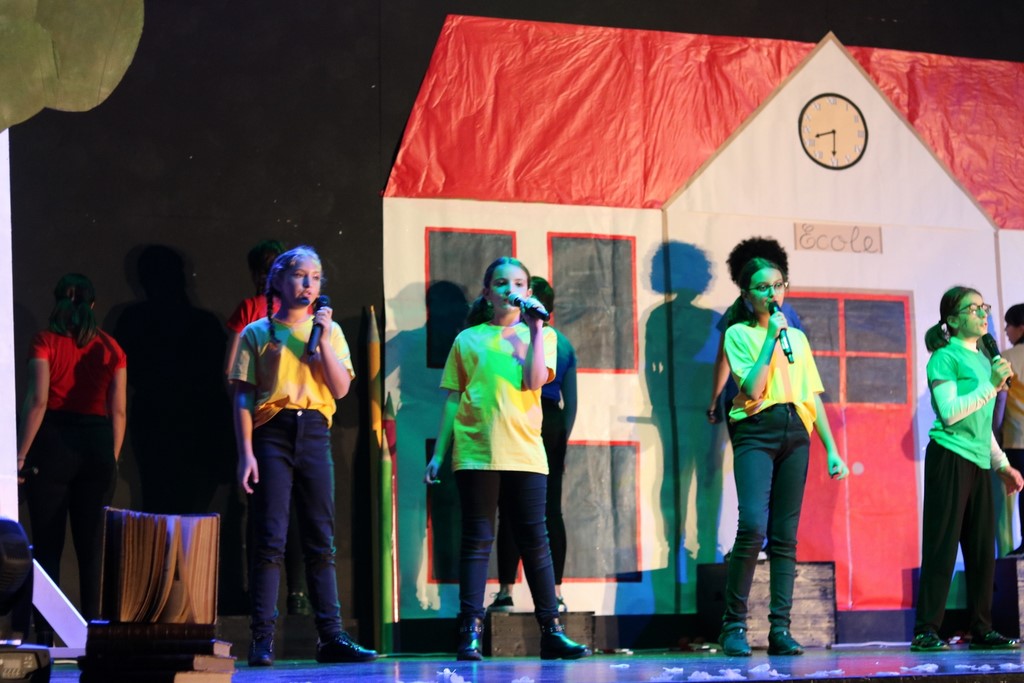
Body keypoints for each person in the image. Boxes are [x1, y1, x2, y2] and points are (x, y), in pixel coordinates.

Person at [424, 256, 591, 661]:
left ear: (528, 292)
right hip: (477, 451)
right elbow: (453, 399)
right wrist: (439, 454)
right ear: (487, 292)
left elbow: (534, 381)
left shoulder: (544, 336)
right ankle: (470, 632)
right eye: (501, 283)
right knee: (477, 540)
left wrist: (532, 331)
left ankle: (551, 631)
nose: (509, 290)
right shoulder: (468, 339)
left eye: (518, 284)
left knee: (535, 540)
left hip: (524, 451)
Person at [230, 246, 377, 666]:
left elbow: (341, 388)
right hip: (271, 434)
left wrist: (323, 341)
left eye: (315, 276)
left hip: (313, 431)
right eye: (299, 275)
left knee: (320, 540)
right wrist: (246, 454)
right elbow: (242, 397)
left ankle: (331, 636)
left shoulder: (329, 331)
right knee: (270, 539)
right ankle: (262, 638)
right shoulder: (257, 333)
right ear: (277, 281)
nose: (308, 283)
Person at [718, 257, 848, 657]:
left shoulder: (798, 339)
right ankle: (734, 625)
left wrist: (832, 450)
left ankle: (780, 629)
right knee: (753, 525)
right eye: (762, 287)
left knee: (785, 536)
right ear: (746, 294)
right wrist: (771, 339)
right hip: (756, 431)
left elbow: (811, 395)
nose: (772, 293)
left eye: (778, 285)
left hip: (796, 433)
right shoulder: (738, 334)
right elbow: (754, 389)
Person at [911, 286, 1024, 652]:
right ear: (953, 320)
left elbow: (981, 424)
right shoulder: (944, 358)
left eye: (983, 307)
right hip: (949, 457)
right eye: (973, 308)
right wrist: (991, 386)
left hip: (978, 460)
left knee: (981, 550)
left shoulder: (985, 360)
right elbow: (950, 413)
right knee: (942, 546)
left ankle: (982, 627)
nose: (982, 313)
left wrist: (1002, 464)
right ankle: (927, 630)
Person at [17, 274, 127, 628]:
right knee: (91, 548)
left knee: (47, 546)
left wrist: (20, 456)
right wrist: (111, 458)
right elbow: (118, 412)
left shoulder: (45, 341)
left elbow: (38, 401)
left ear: (57, 301)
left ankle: (44, 636)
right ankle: (93, 635)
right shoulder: (112, 349)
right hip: (96, 446)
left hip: (52, 443)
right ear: (93, 304)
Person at [224, 239, 311, 617]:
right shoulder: (252, 310)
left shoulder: (302, 312)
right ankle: (274, 595)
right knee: (270, 508)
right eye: (261, 270)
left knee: (283, 509)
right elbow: (233, 373)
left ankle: (293, 593)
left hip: (289, 418)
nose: (265, 277)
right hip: (266, 419)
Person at [489, 276, 578, 613]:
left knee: (519, 508)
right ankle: (548, 593)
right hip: (542, 420)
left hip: (531, 418)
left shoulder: (535, 338)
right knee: (540, 509)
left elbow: (567, 398)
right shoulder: (559, 342)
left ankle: (512, 591)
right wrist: (561, 440)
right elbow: (571, 403)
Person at [708, 237, 802, 425]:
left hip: (750, 398)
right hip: (777, 397)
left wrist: (715, 399)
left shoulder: (735, 312)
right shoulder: (788, 311)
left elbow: (723, 360)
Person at [996, 303, 1024, 557]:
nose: (1006, 330)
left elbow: (1001, 399)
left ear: (1021, 328)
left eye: (1009, 325)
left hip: (1017, 439)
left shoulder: (1006, 358)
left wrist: (995, 432)